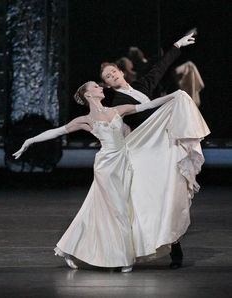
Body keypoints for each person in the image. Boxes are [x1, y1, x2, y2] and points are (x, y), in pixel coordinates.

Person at [13, 81, 210, 272]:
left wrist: (173, 96)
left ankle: (68, 249)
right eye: (96, 86)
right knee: (119, 211)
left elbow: (148, 105)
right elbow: (56, 131)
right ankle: (124, 259)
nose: (101, 88)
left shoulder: (117, 110)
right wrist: (29, 141)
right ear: (88, 95)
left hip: (125, 161)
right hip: (106, 166)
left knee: (108, 208)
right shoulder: (85, 120)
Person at [100, 33, 195, 268]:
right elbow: (119, 128)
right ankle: (128, 250)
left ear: (121, 72)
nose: (112, 76)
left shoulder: (141, 86)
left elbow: (159, 68)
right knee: (149, 200)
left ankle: (175, 247)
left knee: (169, 196)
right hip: (144, 152)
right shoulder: (116, 101)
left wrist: (176, 46)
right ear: (108, 84)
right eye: (107, 77)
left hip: (161, 147)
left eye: (113, 72)